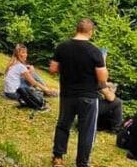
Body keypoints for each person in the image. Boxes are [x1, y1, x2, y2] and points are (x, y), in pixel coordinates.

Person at [49, 18, 108, 167]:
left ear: (77, 29)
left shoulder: (62, 47)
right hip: (88, 96)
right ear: (91, 31)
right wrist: (104, 64)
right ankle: (82, 163)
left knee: (63, 125)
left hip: (67, 94)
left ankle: (58, 157)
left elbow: (53, 69)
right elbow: (102, 78)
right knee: (86, 131)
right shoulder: (95, 51)